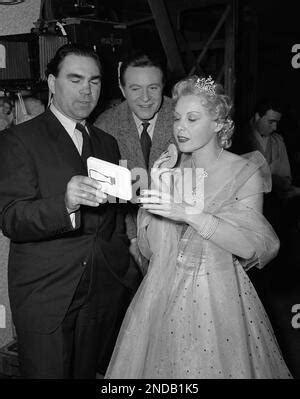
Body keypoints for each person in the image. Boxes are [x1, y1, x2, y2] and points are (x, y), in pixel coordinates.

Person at [105, 76, 292, 379]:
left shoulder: (244, 171)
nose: (180, 127)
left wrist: (191, 213)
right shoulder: (175, 171)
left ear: (219, 124)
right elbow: (152, 250)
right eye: (177, 118)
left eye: (192, 119)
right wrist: (161, 181)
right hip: (166, 291)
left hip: (219, 295)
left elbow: (251, 247)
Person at [0, 44, 134, 379]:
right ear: (51, 82)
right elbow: (12, 218)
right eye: (75, 79)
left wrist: (120, 263)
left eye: (94, 81)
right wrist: (65, 203)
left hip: (103, 290)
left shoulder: (107, 143)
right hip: (47, 294)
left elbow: (113, 218)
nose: (86, 90)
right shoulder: (18, 139)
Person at [94, 52, 174, 274]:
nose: (145, 98)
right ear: (122, 89)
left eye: (153, 87)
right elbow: (108, 195)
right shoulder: (105, 125)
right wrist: (132, 239)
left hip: (181, 233)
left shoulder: (183, 117)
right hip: (128, 238)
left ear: (163, 86)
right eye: (135, 89)